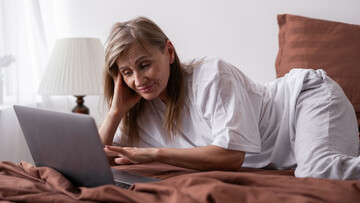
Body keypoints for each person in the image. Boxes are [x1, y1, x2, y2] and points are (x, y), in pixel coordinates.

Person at [99, 16, 360, 180]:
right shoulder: (143, 108)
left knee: (319, 170)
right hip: (287, 150)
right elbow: (99, 158)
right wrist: (114, 113)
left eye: (144, 65)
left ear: (168, 52)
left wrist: (155, 155)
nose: (138, 80)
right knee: (314, 166)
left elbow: (232, 157)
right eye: (127, 72)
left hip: (304, 101)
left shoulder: (211, 76)